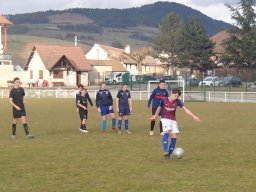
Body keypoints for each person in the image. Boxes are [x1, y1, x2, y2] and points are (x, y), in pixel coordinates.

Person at [150, 88, 201, 159]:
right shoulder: (164, 100)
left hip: (173, 120)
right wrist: (155, 116)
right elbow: (159, 108)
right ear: (171, 93)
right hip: (164, 118)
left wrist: (194, 116)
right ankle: (165, 151)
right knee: (167, 131)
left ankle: (168, 156)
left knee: (174, 136)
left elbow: (185, 109)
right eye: (175, 95)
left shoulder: (178, 101)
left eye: (177, 96)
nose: (176, 97)